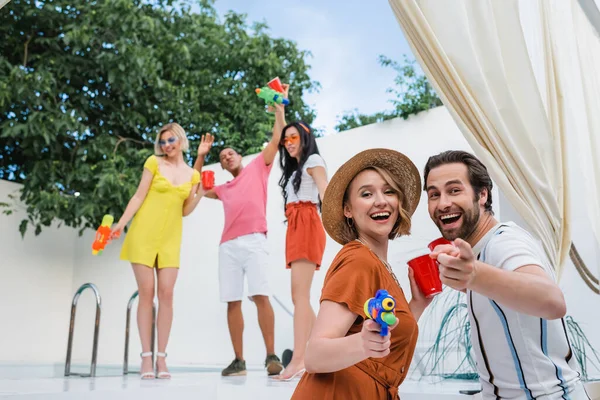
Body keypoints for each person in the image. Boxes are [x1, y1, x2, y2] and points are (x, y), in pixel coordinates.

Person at [424, 150, 589, 399]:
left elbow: (552, 302)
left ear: (482, 195)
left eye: (454, 190)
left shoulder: (504, 241)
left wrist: (474, 276)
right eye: (434, 194)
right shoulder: (479, 252)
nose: (442, 203)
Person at [291, 148, 433, 399]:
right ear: (348, 209)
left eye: (389, 191)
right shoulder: (358, 260)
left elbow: (383, 336)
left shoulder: (378, 264)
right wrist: (362, 344)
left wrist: (417, 304)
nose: (380, 200)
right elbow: (314, 356)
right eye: (366, 194)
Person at [192, 85, 290, 377]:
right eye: (221, 157)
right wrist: (201, 156)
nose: (226, 157)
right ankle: (239, 361)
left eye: (230, 153)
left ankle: (272, 356)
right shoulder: (221, 188)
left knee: (261, 295)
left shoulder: (259, 166)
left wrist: (279, 111)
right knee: (232, 301)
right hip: (228, 247)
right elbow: (194, 186)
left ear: (240, 156)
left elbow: (277, 137)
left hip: (255, 241)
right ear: (221, 166)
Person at [111, 123, 212, 379]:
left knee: (167, 294)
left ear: (180, 141)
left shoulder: (192, 174)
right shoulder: (153, 163)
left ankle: (162, 358)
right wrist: (120, 223)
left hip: (169, 239)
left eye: (171, 140)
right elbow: (138, 196)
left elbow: (185, 210)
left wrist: (200, 194)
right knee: (147, 293)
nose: (167, 145)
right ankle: (146, 358)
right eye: (163, 141)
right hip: (143, 234)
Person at [273, 120, 328, 381]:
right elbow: (283, 129)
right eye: (286, 140)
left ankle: (299, 360)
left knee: (300, 295)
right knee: (300, 297)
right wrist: (280, 111)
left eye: (294, 137)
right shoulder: (296, 167)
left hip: (307, 223)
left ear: (305, 138)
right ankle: (327, 343)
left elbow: (326, 192)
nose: (289, 142)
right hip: (296, 226)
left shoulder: (313, 159)